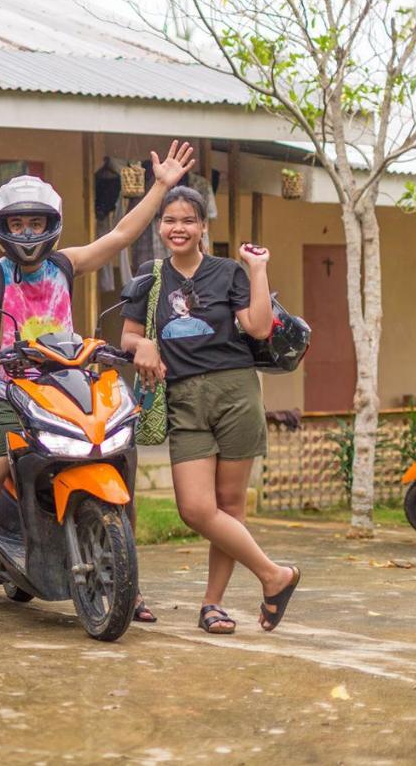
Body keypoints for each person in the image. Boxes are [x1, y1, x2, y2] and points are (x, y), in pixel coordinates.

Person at [0, 141, 196, 622]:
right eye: (17, 224)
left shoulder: (64, 265)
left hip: (71, 384)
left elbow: (118, 237)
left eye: (35, 223)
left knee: (117, 466)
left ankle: (128, 588)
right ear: (2, 228)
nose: (27, 232)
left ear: (50, 226)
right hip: (10, 391)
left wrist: (160, 186)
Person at [120, 187, 300, 634]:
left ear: (203, 227)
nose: (178, 228)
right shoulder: (149, 275)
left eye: (188, 221)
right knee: (196, 509)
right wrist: (143, 342)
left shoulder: (229, 272)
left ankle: (212, 604)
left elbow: (258, 327)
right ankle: (275, 575)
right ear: (160, 227)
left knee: (230, 506)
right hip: (182, 397)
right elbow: (126, 335)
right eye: (170, 221)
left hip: (236, 391)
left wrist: (258, 269)